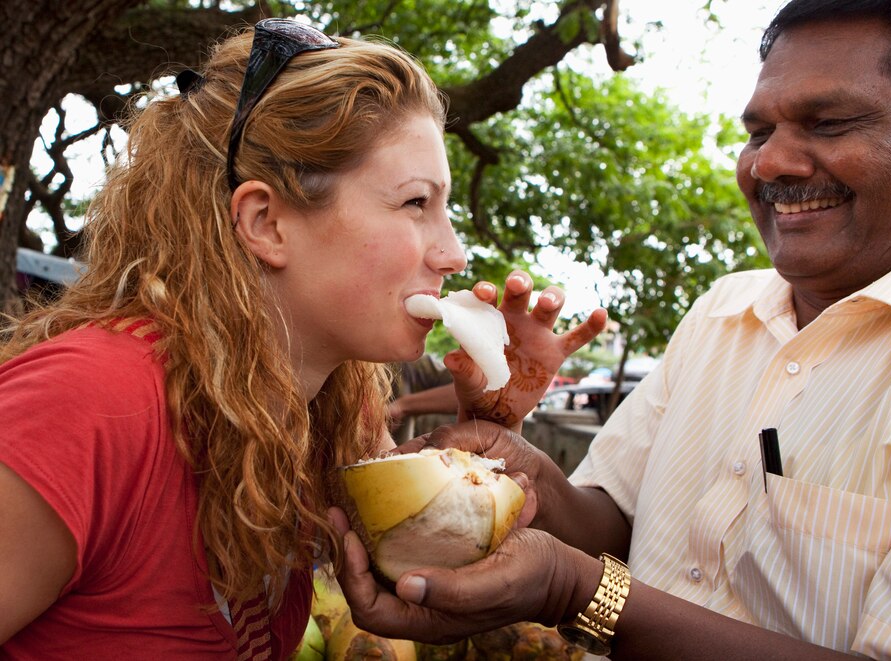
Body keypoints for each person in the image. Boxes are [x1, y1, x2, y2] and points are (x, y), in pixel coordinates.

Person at [331, 1, 891, 659]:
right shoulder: (722, 312)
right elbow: (613, 519)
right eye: (759, 134)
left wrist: (574, 589)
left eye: (829, 123)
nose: (770, 164)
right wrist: (511, 461)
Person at [0, 18, 606, 659]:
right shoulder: (87, 403)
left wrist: (485, 433)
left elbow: (427, 579)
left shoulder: (329, 411)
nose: (453, 253)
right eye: (415, 203)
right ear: (267, 223)